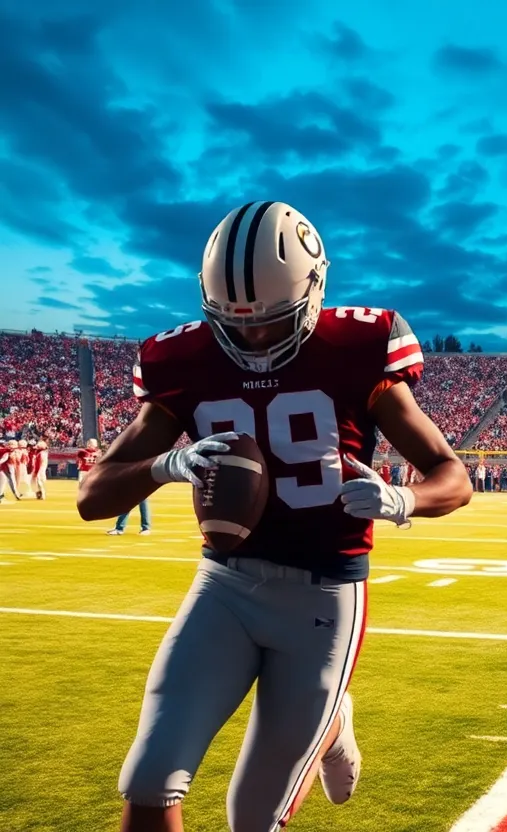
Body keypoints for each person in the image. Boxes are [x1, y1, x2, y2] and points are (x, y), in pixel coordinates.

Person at [76, 201, 473, 832]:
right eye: (235, 325)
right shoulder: (182, 362)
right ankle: (329, 716)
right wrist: (166, 466)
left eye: (272, 321)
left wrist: (402, 501)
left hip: (324, 595)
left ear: (315, 289)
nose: (254, 338)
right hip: (224, 586)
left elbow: (454, 478)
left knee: (252, 815)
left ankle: (333, 715)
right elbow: (91, 497)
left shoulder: (361, 348)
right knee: (150, 779)